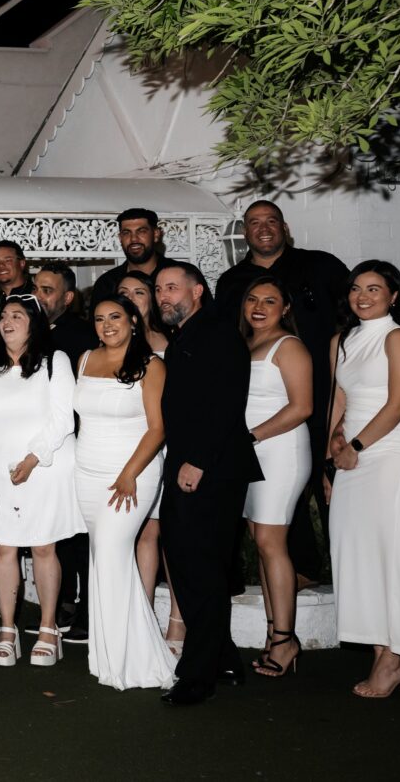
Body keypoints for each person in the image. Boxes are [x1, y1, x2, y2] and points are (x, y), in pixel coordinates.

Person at [217, 200, 351, 587]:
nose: (263, 228)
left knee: (332, 485)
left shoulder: (320, 265)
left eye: (270, 221)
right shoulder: (231, 282)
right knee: (265, 515)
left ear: (284, 227)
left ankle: (345, 578)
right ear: (245, 232)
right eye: (254, 223)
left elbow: (352, 312)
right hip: (261, 403)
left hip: (323, 394)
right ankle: (301, 570)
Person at [326, 261, 400, 698]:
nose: (363, 296)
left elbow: (398, 403)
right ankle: (382, 653)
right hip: (352, 456)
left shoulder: (398, 337)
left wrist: (357, 447)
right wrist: (331, 458)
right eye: (356, 288)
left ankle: (394, 659)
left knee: (393, 554)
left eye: (374, 288)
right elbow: (339, 399)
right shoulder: (342, 339)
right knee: (357, 554)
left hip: (395, 453)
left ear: (394, 296)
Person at [154, 263, 258, 706]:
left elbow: (226, 403)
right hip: (192, 466)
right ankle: (225, 658)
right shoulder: (187, 336)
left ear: (197, 291)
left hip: (210, 469)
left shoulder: (216, 332)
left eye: (172, 287)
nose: (163, 296)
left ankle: (197, 676)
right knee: (192, 563)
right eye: (158, 289)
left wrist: (198, 461)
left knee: (200, 568)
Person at [0, 296, 80, 667]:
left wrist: (32, 459)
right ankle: (7, 629)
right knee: (6, 546)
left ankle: (48, 629)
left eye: (18, 315)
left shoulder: (54, 361)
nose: (9, 321)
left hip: (44, 465)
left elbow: (62, 419)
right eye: (5, 316)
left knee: (44, 546)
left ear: (34, 323)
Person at [72, 296, 177, 690]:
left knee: (115, 555)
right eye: (99, 319)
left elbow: (157, 428)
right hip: (87, 474)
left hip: (132, 474)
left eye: (115, 317)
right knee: (103, 562)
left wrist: (130, 473)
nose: (107, 325)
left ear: (133, 320)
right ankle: (108, 655)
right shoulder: (84, 359)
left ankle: (137, 660)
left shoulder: (152, 365)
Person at [237, 277, 314, 678]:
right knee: (261, 540)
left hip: (278, 450)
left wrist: (249, 437)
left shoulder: (290, 346)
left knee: (271, 541)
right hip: (247, 453)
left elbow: (302, 407)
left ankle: (286, 640)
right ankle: (274, 633)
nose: (259, 306)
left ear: (285, 308)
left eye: (270, 300)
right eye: (253, 298)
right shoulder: (245, 344)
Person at [34, 262, 99, 644]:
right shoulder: (38, 333)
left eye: (48, 289)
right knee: (61, 531)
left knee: (81, 533)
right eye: (37, 289)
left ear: (67, 297)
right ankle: (65, 606)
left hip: (78, 441)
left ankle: (88, 614)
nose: (41, 296)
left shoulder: (81, 335)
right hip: (45, 446)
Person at [115, 271, 179, 646]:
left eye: (141, 292)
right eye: (124, 292)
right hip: (130, 448)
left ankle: (177, 620)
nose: (133, 298)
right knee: (144, 531)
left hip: (170, 442)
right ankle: (141, 620)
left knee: (172, 532)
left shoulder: (173, 338)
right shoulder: (109, 344)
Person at [91, 208, 183, 304]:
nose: (134, 239)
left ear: (156, 234)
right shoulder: (107, 284)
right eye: (126, 233)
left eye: (141, 231)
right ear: (120, 238)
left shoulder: (183, 275)